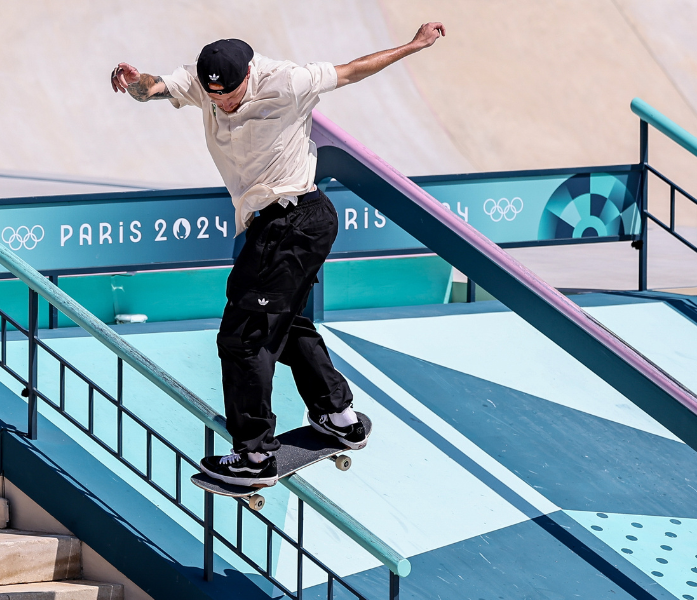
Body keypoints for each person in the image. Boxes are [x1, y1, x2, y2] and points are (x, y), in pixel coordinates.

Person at [112, 22, 446, 487]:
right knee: (284, 325)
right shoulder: (202, 82)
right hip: (282, 227)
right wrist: (133, 82)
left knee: (243, 338)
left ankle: (253, 455)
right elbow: (153, 87)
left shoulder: (289, 81)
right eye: (216, 98)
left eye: (230, 95)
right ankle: (338, 416)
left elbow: (353, 71)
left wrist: (414, 45)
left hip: (295, 220)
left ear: (248, 74)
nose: (223, 104)